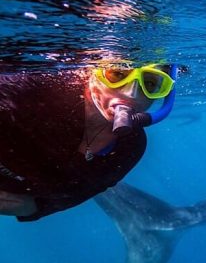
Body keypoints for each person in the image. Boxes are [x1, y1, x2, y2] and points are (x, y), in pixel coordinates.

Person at [0, 63, 177, 220]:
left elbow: (79, 194)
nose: (131, 94)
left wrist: (33, 209)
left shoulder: (131, 147)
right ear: (92, 72)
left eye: (150, 84)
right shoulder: (30, 90)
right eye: (117, 74)